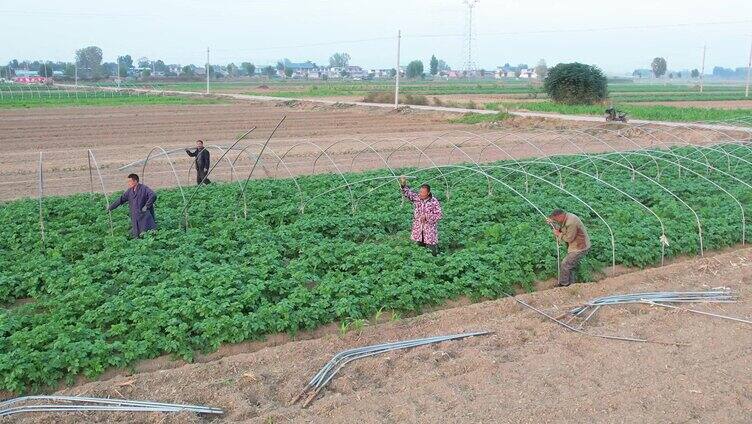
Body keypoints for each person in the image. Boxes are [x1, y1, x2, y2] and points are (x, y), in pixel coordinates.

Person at [399, 176, 443, 255]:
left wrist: (427, 216)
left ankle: (433, 261)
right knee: (419, 249)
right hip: (419, 228)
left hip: (429, 229)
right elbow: (408, 194)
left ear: (428, 193)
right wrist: (403, 184)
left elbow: (439, 215)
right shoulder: (417, 198)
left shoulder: (434, 201)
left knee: (431, 248)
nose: (420, 194)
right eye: (420, 192)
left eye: (423, 193)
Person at [547, 209, 591, 287]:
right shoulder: (567, 217)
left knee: (565, 264)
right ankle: (571, 285)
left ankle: (564, 285)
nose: (556, 220)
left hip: (580, 247)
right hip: (576, 245)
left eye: (555, 219)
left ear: (560, 216)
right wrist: (552, 222)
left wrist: (558, 234)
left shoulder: (571, 222)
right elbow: (562, 227)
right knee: (570, 266)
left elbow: (569, 238)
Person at [108, 173, 157, 238]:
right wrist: (110, 207)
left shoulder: (144, 189)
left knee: (147, 235)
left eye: (130, 181)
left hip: (144, 217)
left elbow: (153, 195)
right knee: (137, 236)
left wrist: (146, 206)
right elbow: (121, 199)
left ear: (135, 181)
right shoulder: (129, 191)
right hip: (135, 217)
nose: (128, 183)